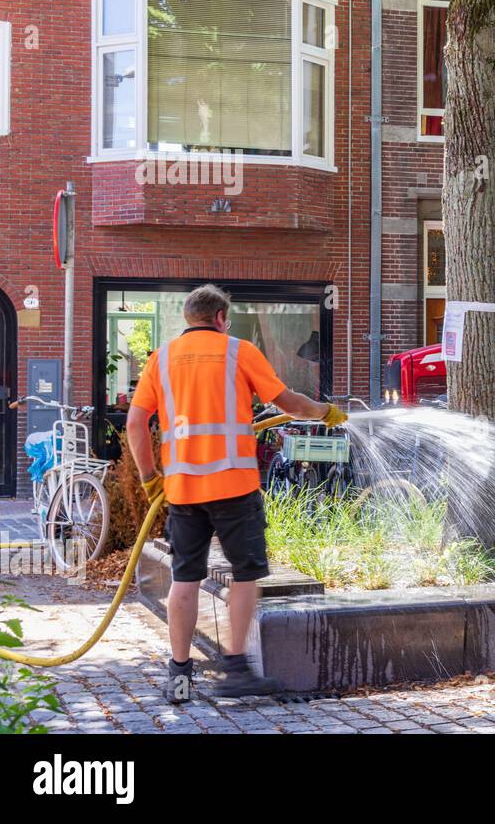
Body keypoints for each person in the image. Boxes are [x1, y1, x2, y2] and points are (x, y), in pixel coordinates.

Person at [125, 284, 345, 703]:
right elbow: (289, 403)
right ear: (222, 318)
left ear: (189, 318)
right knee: (245, 576)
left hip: (183, 489)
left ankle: (180, 676)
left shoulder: (161, 359)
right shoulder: (238, 352)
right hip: (234, 486)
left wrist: (149, 477)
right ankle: (236, 670)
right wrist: (326, 412)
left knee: (184, 577)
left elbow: (137, 424)